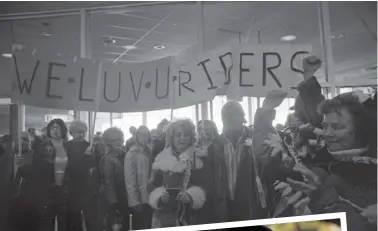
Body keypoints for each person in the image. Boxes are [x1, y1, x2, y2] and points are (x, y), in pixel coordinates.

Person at [267, 78, 377, 230]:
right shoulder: (321, 165)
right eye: (325, 126)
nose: (327, 134)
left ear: (360, 130)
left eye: (337, 127)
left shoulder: (371, 174)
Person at [205, 101, 269, 223]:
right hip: (223, 204)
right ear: (223, 119)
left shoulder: (255, 142)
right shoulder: (214, 147)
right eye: (227, 116)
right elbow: (210, 180)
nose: (231, 120)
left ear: (242, 117)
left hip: (251, 202)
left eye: (235, 115)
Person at [147, 119, 207, 228]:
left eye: (186, 135)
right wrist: (160, 197)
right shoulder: (162, 158)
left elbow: (205, 185)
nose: (182, 138)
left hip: (190, 216)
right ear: (172, 138)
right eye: (178, 135)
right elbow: (153, 185)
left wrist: (191, 197)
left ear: (191, 138)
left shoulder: (198, 158)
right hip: (165, 216)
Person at [30, 118, 70, 231]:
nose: (55, 130)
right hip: (47, 188)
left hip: (64, 188)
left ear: (63, 130)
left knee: (64, 220)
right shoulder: (41, 147)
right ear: (48, 130)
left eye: (58, 127)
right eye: (52, 128)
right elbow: (36, 167)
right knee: (46, 220)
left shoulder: (68, 146)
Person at [66, 121, 99, 231]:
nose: (81, 134)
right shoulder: (66, 147)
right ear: (71, 132)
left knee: (91, 220)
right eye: (78, 132)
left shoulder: (90, 147)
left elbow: (95, 167)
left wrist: (90, 157)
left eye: (83, 132)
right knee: (74, 221)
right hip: (72, 187)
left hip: (87, 188)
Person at [99, 127, 129, 231]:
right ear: (108, 142)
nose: (118, 143)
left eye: (120, 139)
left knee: (124, 225)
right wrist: (113, 203)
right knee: (114, 225)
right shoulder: (107, 158)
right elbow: (108, 182)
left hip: (124, 195)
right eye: (114, 140)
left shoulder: (125, 154)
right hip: (113, 197)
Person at [124, 126, 153, 230]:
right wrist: (134, 201)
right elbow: (130, 180)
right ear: (137, 136)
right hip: (140, 198)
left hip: (151, 196)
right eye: (141, 135)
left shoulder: (150, 151)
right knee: (140, 225)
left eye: (146, 135)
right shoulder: (131, 154)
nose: (144, 138)